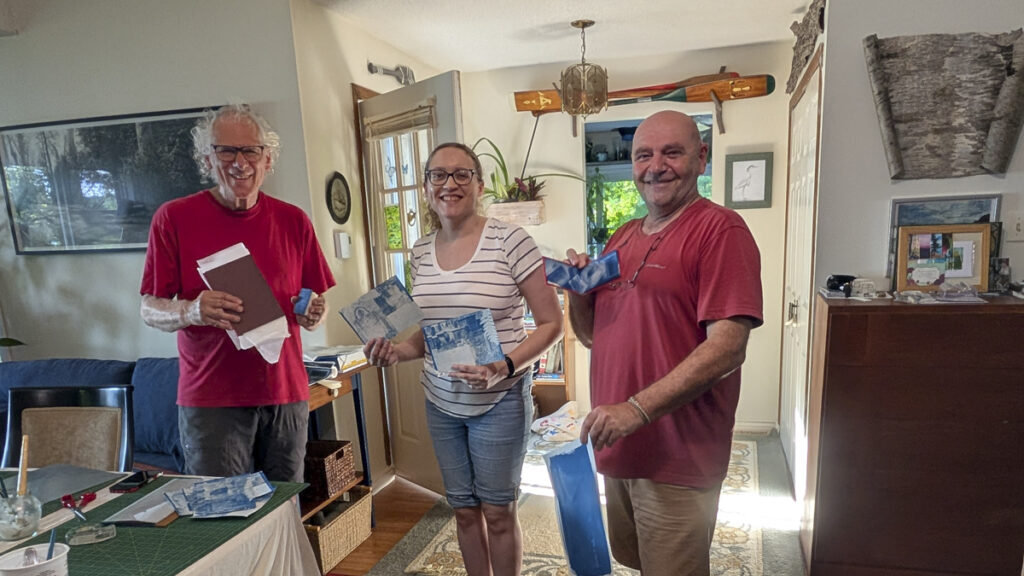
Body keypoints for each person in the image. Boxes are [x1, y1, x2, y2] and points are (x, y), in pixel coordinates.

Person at [565, 110, 763, 576]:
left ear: (702, 158)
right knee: (636, 562)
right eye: (643, 155)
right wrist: (576, 295)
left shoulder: (721, 231)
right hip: (619, 447)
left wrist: (635, 409)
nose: (656, 166)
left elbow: (729, 347)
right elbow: (593, 336)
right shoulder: (622, 237)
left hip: (678, 457)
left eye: (672, 152)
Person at [363, 142, 563, 576]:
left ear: (479, 183)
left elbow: (551, 324)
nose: (449, 184)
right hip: (441, 402)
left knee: (497, 513)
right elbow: (430, 332)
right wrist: (397, 351)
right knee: (464, 511)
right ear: (426, 185)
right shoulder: (419, 251)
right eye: (438, 175)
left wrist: (503, 366)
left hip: (500, 399)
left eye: (461, 174)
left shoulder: (512, 240)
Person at [139, 103, 335, 482]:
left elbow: (315, 300)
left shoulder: (294, 221)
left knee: (283, 513)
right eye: (225, 150)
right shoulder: (174, 218)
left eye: (251, 150)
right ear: (206, 159)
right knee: (223, 517)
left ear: (268, 159)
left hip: (285, 393)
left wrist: (314, 312)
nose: (239, 162)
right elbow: (149, 308)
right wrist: (192, 311)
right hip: (213, 401)